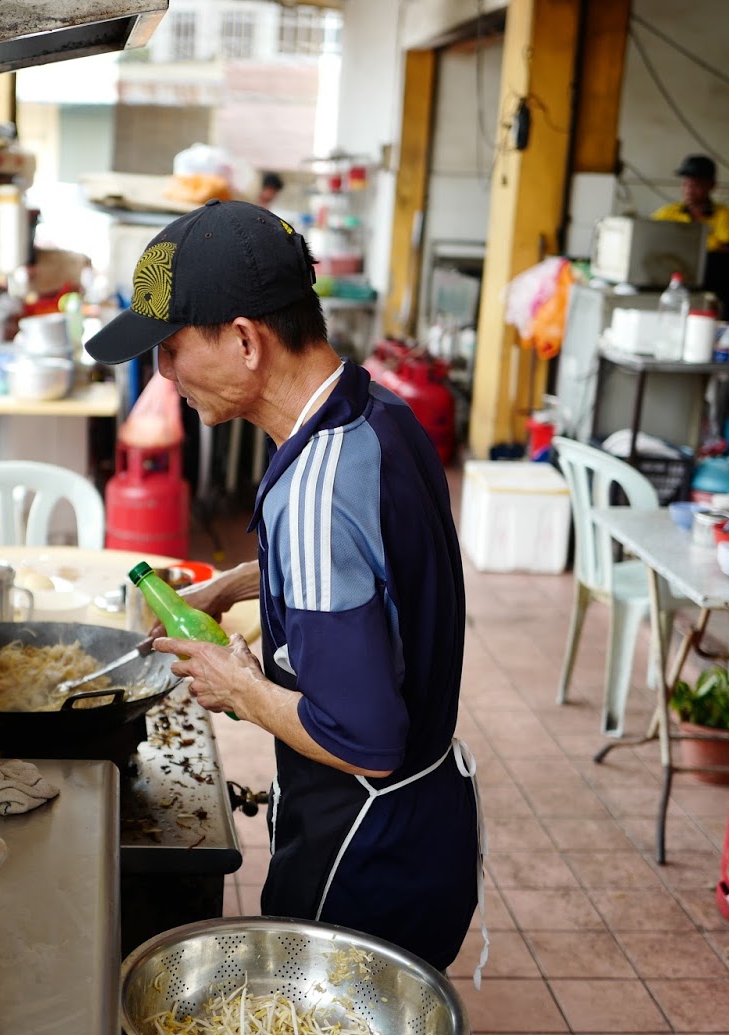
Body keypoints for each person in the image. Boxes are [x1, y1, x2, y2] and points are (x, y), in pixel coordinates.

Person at [84, 199, 483, 978]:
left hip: (360, 858)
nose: (162, 375)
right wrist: (238, 582)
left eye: (170, 349)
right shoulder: (378, 417)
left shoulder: (313, 488)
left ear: (243, 340)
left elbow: (362, 738)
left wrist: (241, 688)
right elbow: (378, 568)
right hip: (427, 832)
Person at [651, 154, 729, 252]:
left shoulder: (724, 214)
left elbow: (728, 251)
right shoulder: (667, 213)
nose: (689, 190)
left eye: (695, 185)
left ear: (711, 185)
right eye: (685, 184)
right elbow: (650, 239)